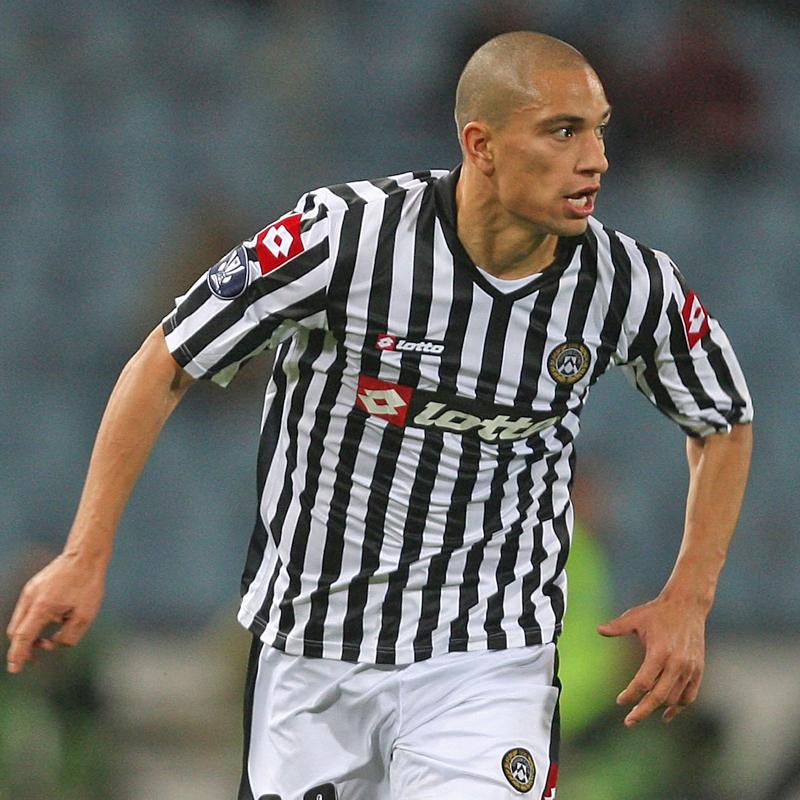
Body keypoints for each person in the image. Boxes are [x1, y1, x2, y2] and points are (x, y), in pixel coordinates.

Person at [6, 31, 753, 800]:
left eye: (599, 129)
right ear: (481, 145)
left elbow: (723, 418)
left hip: (488, 661)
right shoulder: (345, 236)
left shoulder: (627, 283)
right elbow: (166, 360)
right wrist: (84, 554)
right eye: (564, 132)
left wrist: (689, 597)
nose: (595, 158)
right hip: (313, 653)